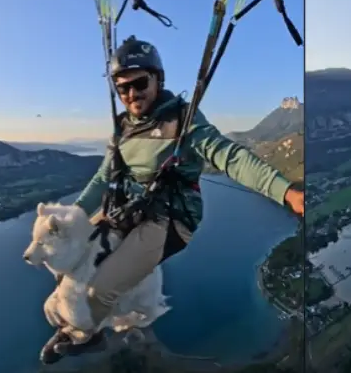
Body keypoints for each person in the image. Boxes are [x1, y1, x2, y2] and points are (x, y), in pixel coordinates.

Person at [39, 35, 305, 364]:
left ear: (158, 79)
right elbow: (102, 178)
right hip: (127, 211)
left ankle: (85, 335)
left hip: (168, 220)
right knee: (70, 264)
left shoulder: (182, 121)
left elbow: (230, 157)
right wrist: (73, 219)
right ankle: (73, 321)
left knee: (99, 289)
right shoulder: (123, 128)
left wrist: (284, 191)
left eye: (139, 83)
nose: (132, 94)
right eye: (123, 89)